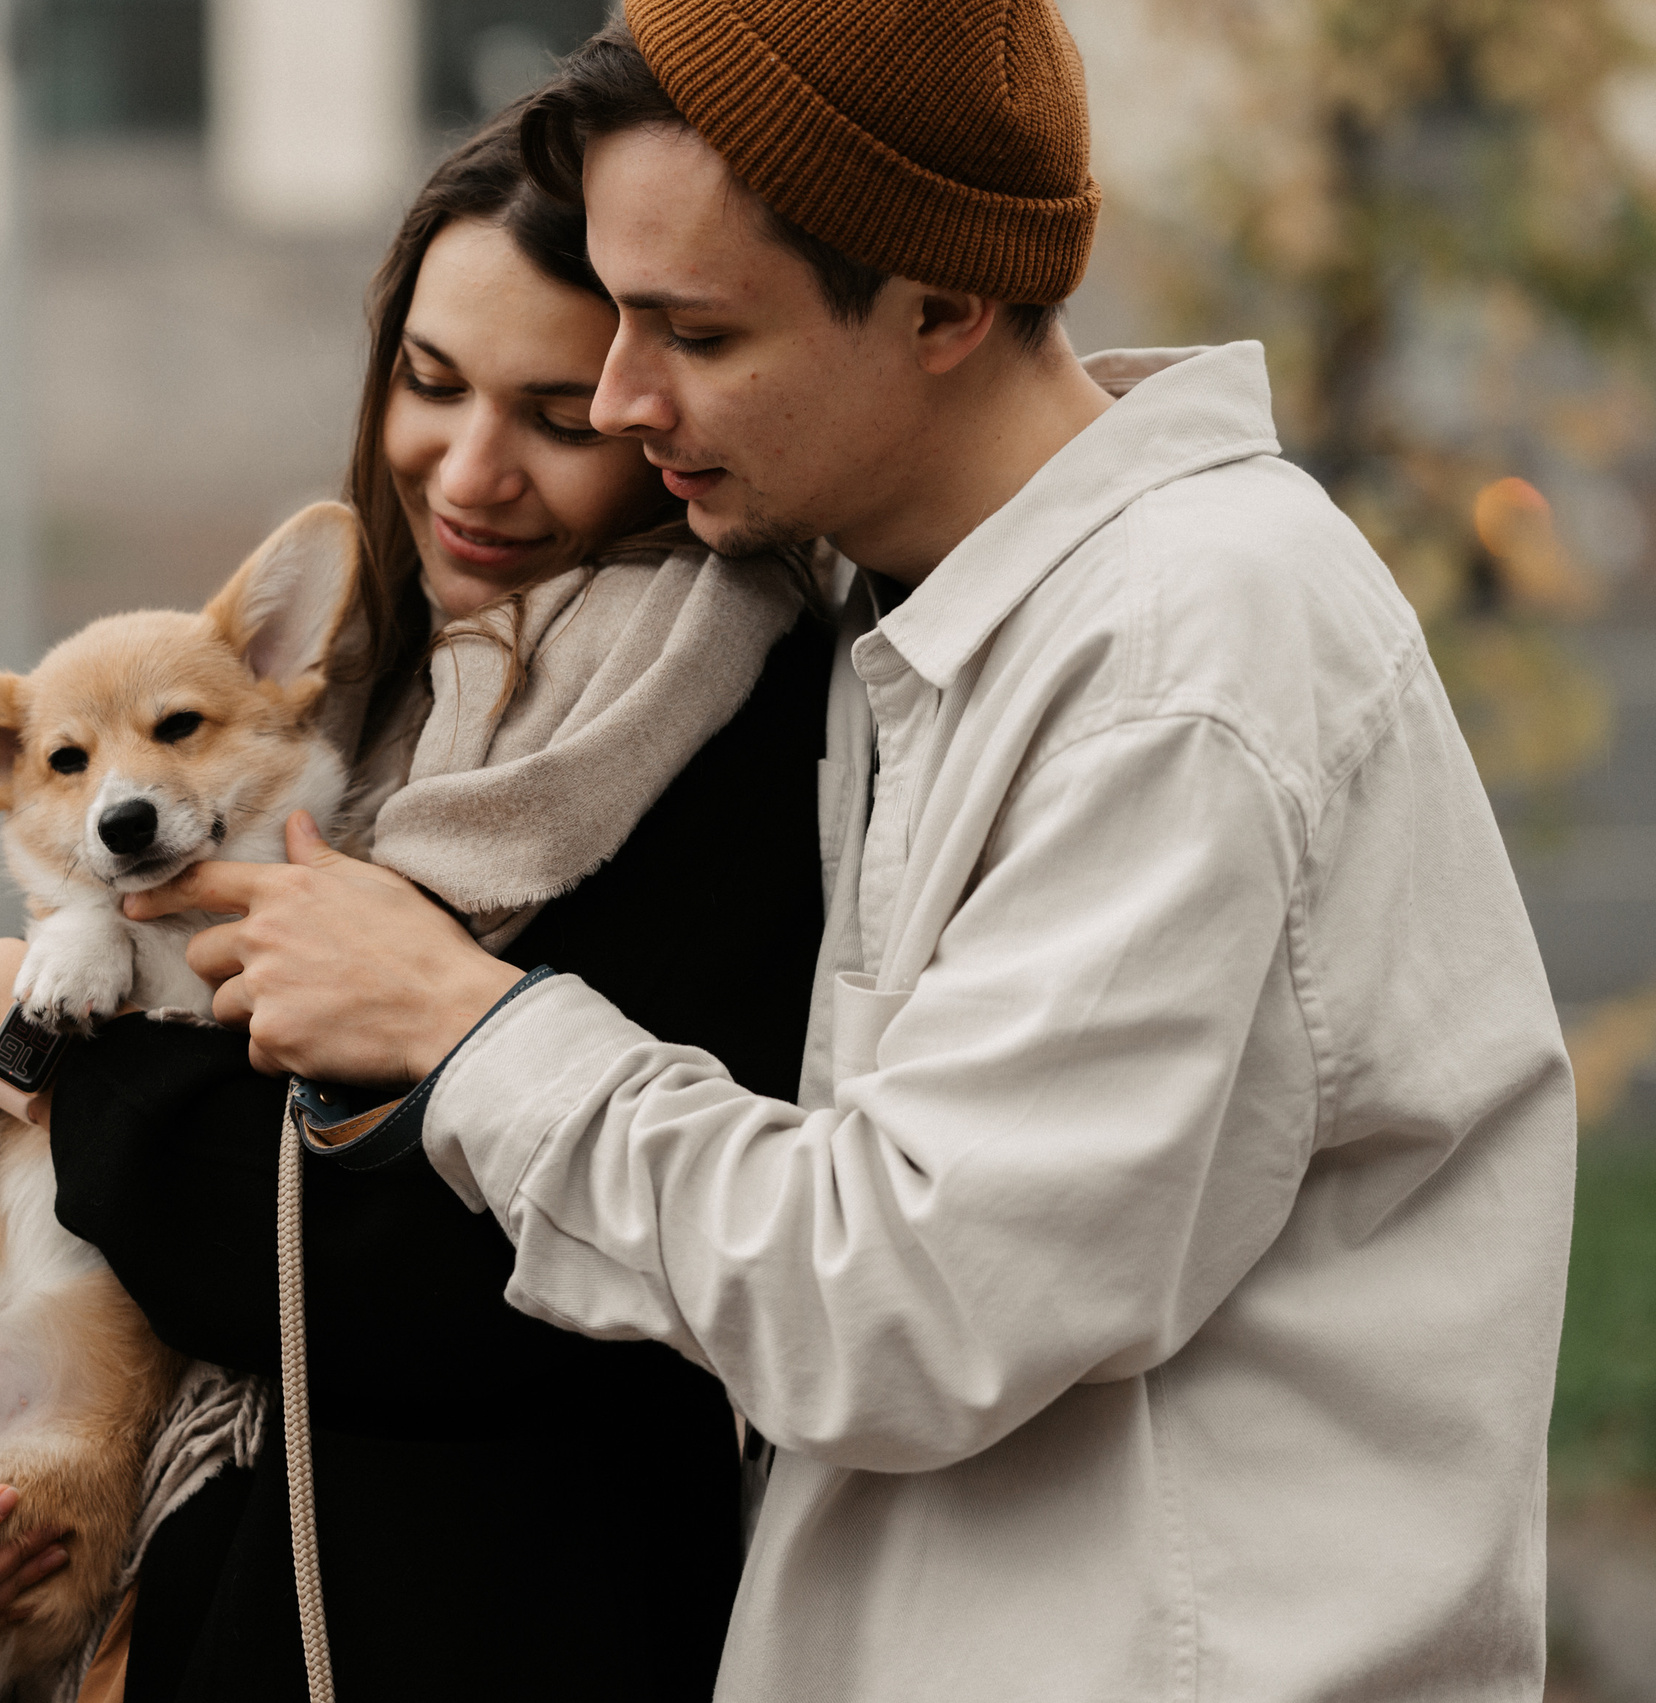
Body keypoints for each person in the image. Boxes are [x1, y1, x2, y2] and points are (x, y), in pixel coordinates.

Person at [130, 4, 1578, 1699]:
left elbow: (912, 1303)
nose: (621, 394)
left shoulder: (1184, 653)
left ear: (945, 305)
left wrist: (467, 1028)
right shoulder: (913, 620)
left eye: (692, 330)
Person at [0, 108, 838, 1702]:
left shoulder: (725, 736)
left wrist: (46, 1036)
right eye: (432, 383)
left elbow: (441, 1287)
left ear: (659, 417)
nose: (470, 470)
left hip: (457, 1632)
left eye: (556, 416)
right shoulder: (322, 690)